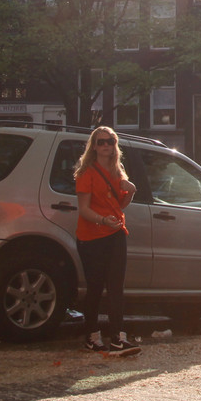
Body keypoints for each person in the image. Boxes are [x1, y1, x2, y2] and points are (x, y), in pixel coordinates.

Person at [74, 127, 140, 355]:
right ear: (94, 146)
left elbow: (119, 206)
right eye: (101, 142)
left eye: (110, 142)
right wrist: (103, 220)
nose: (106, 146)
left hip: (115, 233)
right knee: (95, 287)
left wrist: (130, 192)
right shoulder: (86, 173)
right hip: (91, 237)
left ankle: (118, 337)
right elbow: (83, 209)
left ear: (115, 145)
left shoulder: (117, 170)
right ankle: (92, 336)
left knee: (116, 288)